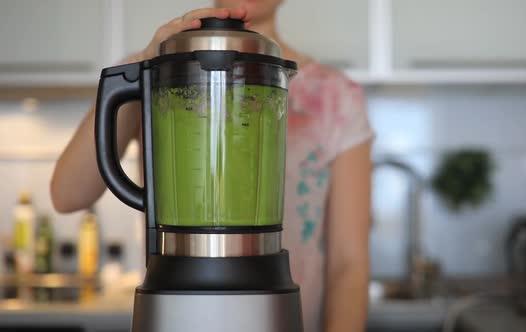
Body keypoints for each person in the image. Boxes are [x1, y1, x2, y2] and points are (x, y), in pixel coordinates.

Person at [51, 3, 373, 332]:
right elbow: (67, 195)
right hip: (176, 307)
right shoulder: (155, 64)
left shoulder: (337, 97)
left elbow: (348, 264)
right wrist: (146, 66)